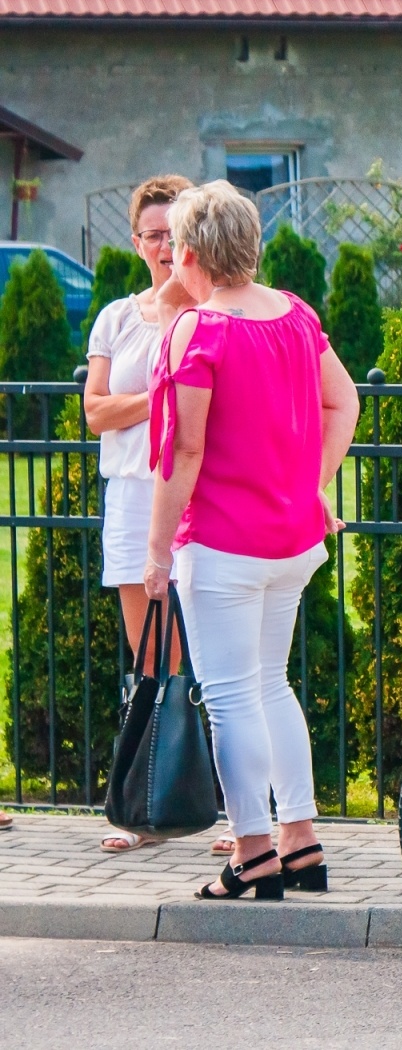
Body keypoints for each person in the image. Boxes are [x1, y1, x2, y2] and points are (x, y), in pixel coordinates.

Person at [144, 181, 359, 900]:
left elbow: (186, 451)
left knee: (232, 697)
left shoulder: (197, 330)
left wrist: (153, 552)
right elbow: (344, 400)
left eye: (175, 244)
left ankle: (253, 854)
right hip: (291, 537)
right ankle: (301, 843)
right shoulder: (294, 314)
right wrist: (315, 483)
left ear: (192, 253)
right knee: (272, 684)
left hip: (224, 541)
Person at [84, 174, 237, 857]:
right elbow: (95, 411)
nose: (162, 247)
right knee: (150, 657)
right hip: (128, 495)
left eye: (172, 234)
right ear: (138, 241)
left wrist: (154, 400)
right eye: (151, 235)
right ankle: (150, 803)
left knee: (213, 657)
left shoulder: (209, 314)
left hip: (194, 494)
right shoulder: (117, 317)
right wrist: (163, 397)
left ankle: (238, 812)